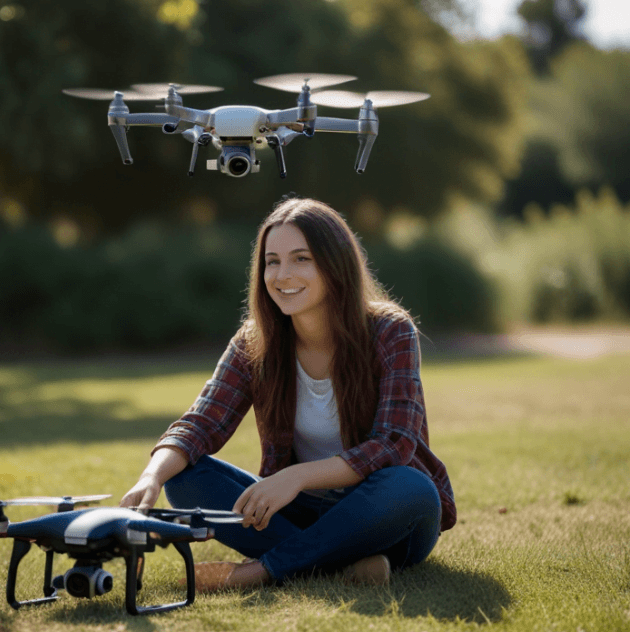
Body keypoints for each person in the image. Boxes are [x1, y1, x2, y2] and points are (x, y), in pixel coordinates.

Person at [120, 196, 456, 591]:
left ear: (335, 264)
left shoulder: (390, 330)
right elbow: (201, 423)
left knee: (412, 487)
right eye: (272, 261)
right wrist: (150, 477)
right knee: (184, 475)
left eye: (302, 259)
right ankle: (346, 563)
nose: (283, 275)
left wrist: (296, 477)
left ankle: (259, 571)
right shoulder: (254, 341)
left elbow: (394, 445)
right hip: (296, 513)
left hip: (382, 510)